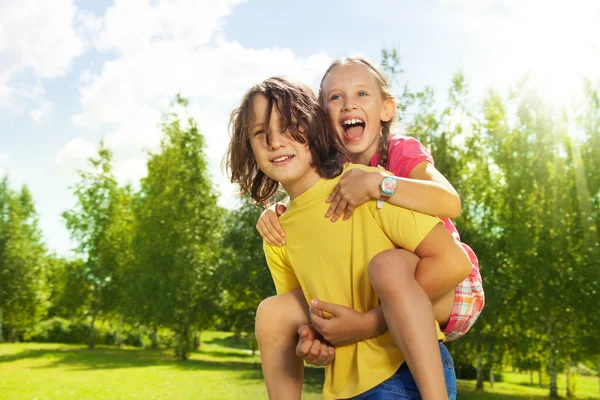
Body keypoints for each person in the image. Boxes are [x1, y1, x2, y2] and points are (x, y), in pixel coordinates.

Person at [226, 76, 471, 399]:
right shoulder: (278, 228)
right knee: (272, 312)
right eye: (261, 133)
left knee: (388, 265)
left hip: (406, 371)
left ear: (316, 128)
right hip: (344, 387)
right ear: (251, 149)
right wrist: (312, 342)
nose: (275, 141)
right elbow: (308, 322)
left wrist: (371, 322)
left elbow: (454, 261)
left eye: (288, 126)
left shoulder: (365, 186)